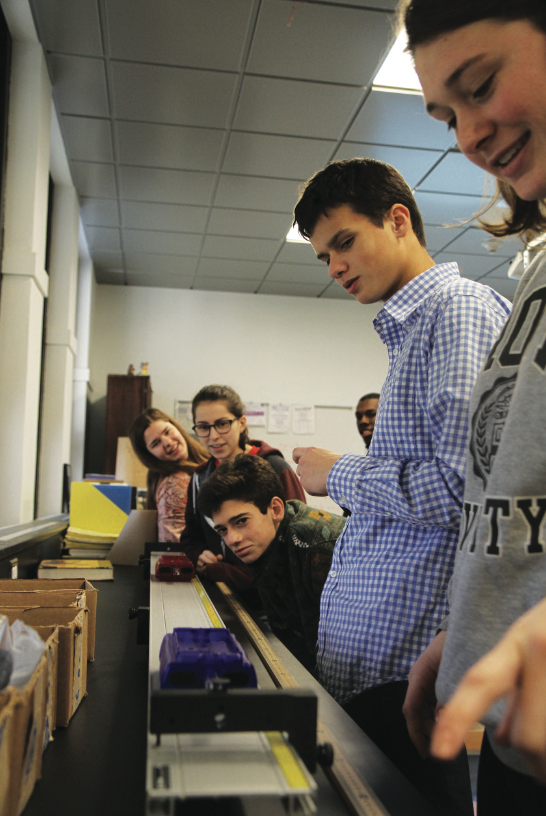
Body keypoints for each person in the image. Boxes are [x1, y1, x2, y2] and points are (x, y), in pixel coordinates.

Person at [291, 157, 511, 815]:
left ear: (397, 219)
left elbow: (458, 491)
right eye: (323, 257)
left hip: (401, 669)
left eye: (344, 242)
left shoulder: (458, 310)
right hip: (371, 665)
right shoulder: (414, 328)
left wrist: (339, 473)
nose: (334, 267)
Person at [398, 0, 546, 810]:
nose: (467, 136)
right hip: (510, 720)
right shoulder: (539, 269)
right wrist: (473, 628)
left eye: (481, 86)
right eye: (447, 115)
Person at [196, 454, 345, 671]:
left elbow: (339, 656)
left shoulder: (316, 546)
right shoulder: (265, 543)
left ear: (275, 509)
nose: (232, 539)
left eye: (241, 521)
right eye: (222, 530)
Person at [180, 384, 305, 591]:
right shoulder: (200, 477)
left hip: (274, 598)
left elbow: (298, 541)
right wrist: (199, 554)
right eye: (203, 427)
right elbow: (191, 537)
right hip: (223, 590)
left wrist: (230, 573)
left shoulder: (275, 468)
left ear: (242, 423)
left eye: (222, 424)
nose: (213, 436)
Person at [128, 408, 208, 542]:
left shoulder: (205, 459)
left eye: (167, 432)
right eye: (156, 443)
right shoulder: (175, 483)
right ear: (150, 455)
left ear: (175, 426)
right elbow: (174, 546)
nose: (168, 443)